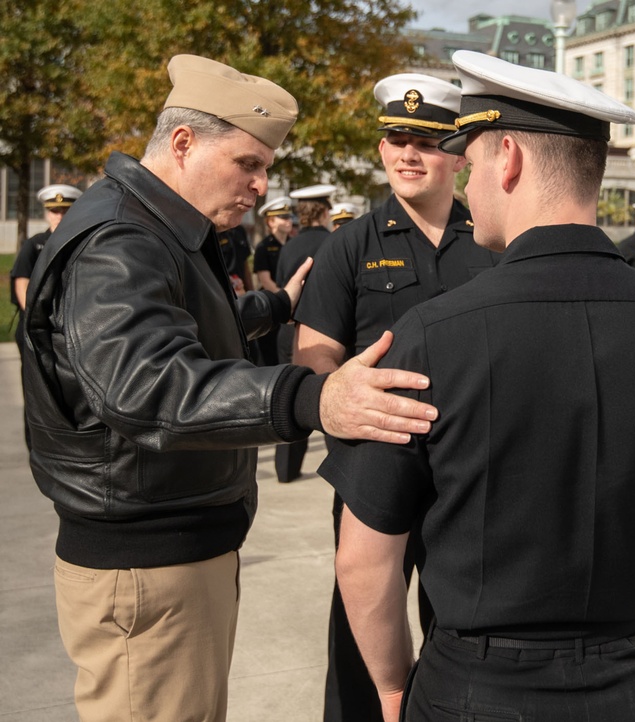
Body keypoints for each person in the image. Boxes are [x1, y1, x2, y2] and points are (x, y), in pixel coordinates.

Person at [322, 50, 635, 722]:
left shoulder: (431, 335)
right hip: (633, 678)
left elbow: (363, 560)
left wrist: (389, 686)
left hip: (472, 689)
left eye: (468, 165)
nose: (468, 188)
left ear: (507, 159)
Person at [20, 54, 438, 722]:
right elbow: (144, 385)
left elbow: (172, 329)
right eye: (248, 163)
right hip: (147, 564)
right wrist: (311, 397)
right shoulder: (121, 240)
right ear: (182, 142)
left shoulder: (157, 228)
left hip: (170, 547)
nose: (260, 183)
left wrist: (265, 311)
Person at [293, 71, 500, 722]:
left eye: (429, 141)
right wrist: (344, 392)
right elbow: (312, 350)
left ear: (460, 154)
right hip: (375, 467)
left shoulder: (494, 242)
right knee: (359, 634)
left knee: (464, 630)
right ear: (381, 149)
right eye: (396, 139)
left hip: (473, 474)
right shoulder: (348, 245)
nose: (409, 153)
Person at [269, 184, 338, 482]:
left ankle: (286, 470)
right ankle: (338, 465)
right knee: (330, 397)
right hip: (324, 330)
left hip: (289, 329)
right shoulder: (336, 242)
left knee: (289, 397)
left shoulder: (289, 246)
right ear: (324, 211)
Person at [10, 183, 82, 449]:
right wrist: (37, 321)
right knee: (37, 390)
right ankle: (37, 447)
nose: (59, 216)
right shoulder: (35, 245)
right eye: (54, 211)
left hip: (71, 330)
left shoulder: (82, 242)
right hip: (38, 331)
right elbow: (22, 285)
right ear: (47, 213)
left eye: (65, 210)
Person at [252, 196, 294, 365]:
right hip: (273, 302)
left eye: (289, 217)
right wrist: (286, 299)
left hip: (290, 304)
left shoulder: (293, 244)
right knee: (270, 353)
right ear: (271, 222)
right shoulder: (263, 247)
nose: (289, 221)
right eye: (283, 217)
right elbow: (265, 279)